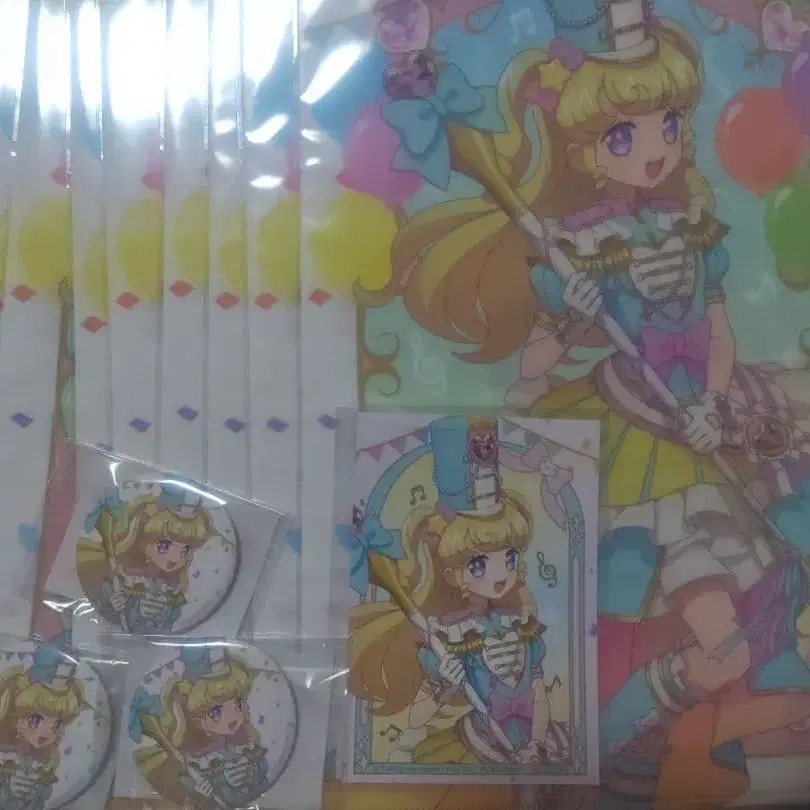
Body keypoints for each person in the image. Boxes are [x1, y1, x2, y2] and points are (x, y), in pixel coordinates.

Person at [363, 0, 810, 800]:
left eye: (669, 124)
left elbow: (716, 328)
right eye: (624, 136)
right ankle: (612, 743)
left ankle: (642, 739)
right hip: (627, 440)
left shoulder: (692, 227)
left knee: (740, 625)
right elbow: (535, 365)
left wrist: (711, 403)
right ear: (588, 152)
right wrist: (566, 315)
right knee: (661, 620)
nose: (657, 147)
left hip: (698, 428)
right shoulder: (586, 248)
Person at [349, 416, 554, 765]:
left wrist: (536, 743)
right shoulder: (453, 636)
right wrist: (444, 687)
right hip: (479, 742)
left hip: (533, 747)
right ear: (455, 575)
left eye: (509, 557)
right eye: (479, 565)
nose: (501, 573)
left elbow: (538, 696)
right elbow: (418, 719)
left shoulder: (522, 626)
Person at [130, 648, 270, 810]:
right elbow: (188, 799)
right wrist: (201, 794)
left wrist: (251, 773)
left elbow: (262, 782)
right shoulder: (194, 763)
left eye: (238, 704)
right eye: (216, 712)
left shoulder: (246, 746)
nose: (232, 716)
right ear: (197, 720)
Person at [77, 484, 215, 634]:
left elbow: (172, 622)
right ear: (144, 544)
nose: (174, 558)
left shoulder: (174, 590)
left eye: (185, 550)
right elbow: (107, 605)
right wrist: (116, 605)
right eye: (164, 546)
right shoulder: (127, 578)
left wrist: (163, 614)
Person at [0, 644, 85, 810]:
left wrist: (34, 791)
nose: (47, 733)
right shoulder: (5, 755)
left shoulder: (45, 763)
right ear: (16, 719)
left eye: (56, 724)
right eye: (35, 720)